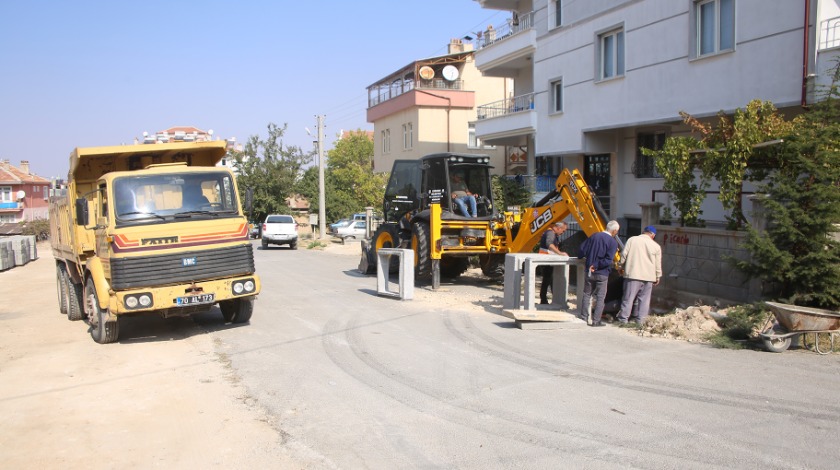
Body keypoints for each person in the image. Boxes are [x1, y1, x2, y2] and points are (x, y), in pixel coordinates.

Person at [615, 225, 662, 325]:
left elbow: (624, 255)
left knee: (628, 298)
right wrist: (658, 276)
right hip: (648, 277)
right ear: (653, 235)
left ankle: (623, 320)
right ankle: (641, 321)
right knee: (644, 300)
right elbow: (658, 264)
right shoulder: (656, 246)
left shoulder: (632, 240)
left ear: (643, 232)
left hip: (633, 275)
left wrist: (620, 266)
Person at [578, 220, 621, 327]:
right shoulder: (612, 242)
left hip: (589, 271)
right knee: (600, 297)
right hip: (602, 272)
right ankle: (596, 320)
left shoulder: (594, 236)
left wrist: (587, 262)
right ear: (614, 230)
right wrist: (596, 265)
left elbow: (582, 249)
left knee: (587, 294)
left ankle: (584, 317)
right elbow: (608, 260)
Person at [538, 221, 569, 304]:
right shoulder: (551, 234)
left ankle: (552, 298)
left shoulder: (552, 234)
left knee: (549, 280)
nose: (563, 233)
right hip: (546, 260)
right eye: (563, 231)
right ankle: (545, 299)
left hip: (548, 260)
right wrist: (560, 253)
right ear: (558, 228)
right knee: (548, 279)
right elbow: (549, 244)